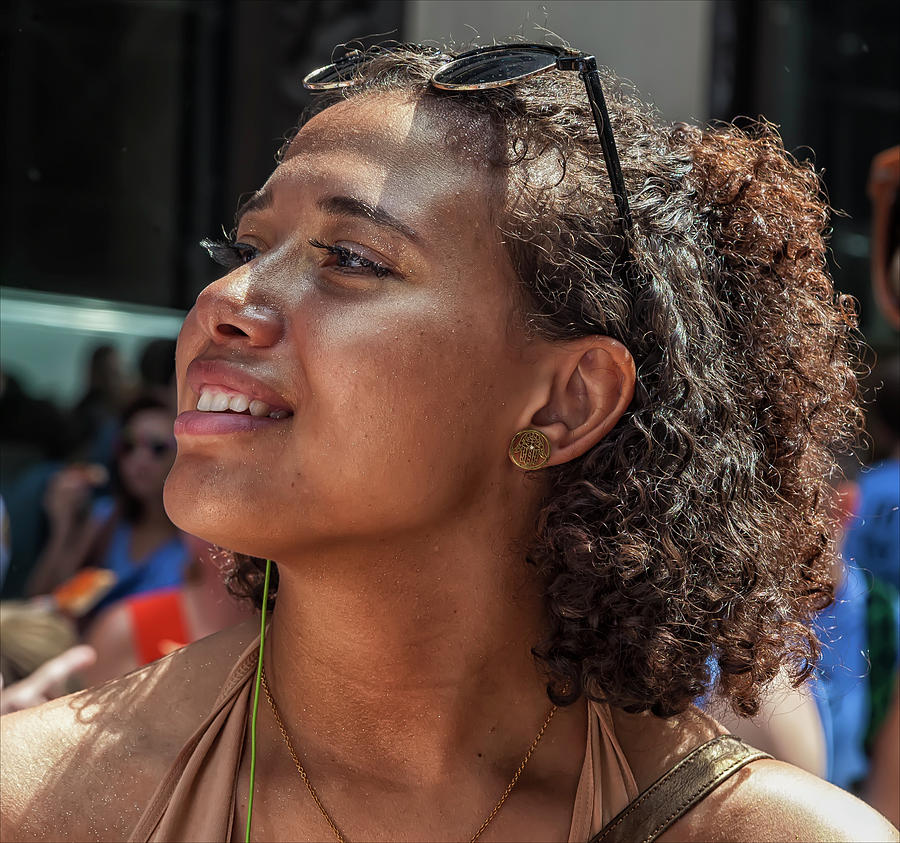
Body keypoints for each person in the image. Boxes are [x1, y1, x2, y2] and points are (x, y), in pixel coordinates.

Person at [2, 41, 898, 843]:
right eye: (247, 244)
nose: (225, 303)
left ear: (567, 401)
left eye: (352, 258)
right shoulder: (38, 802)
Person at [25, 394, 189, 610]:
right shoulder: (105, 517)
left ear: (184, 454)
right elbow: (44, 602)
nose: (139, 459)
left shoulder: (198, 541)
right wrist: (62, 526)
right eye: (129, 446)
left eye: (157, 448)